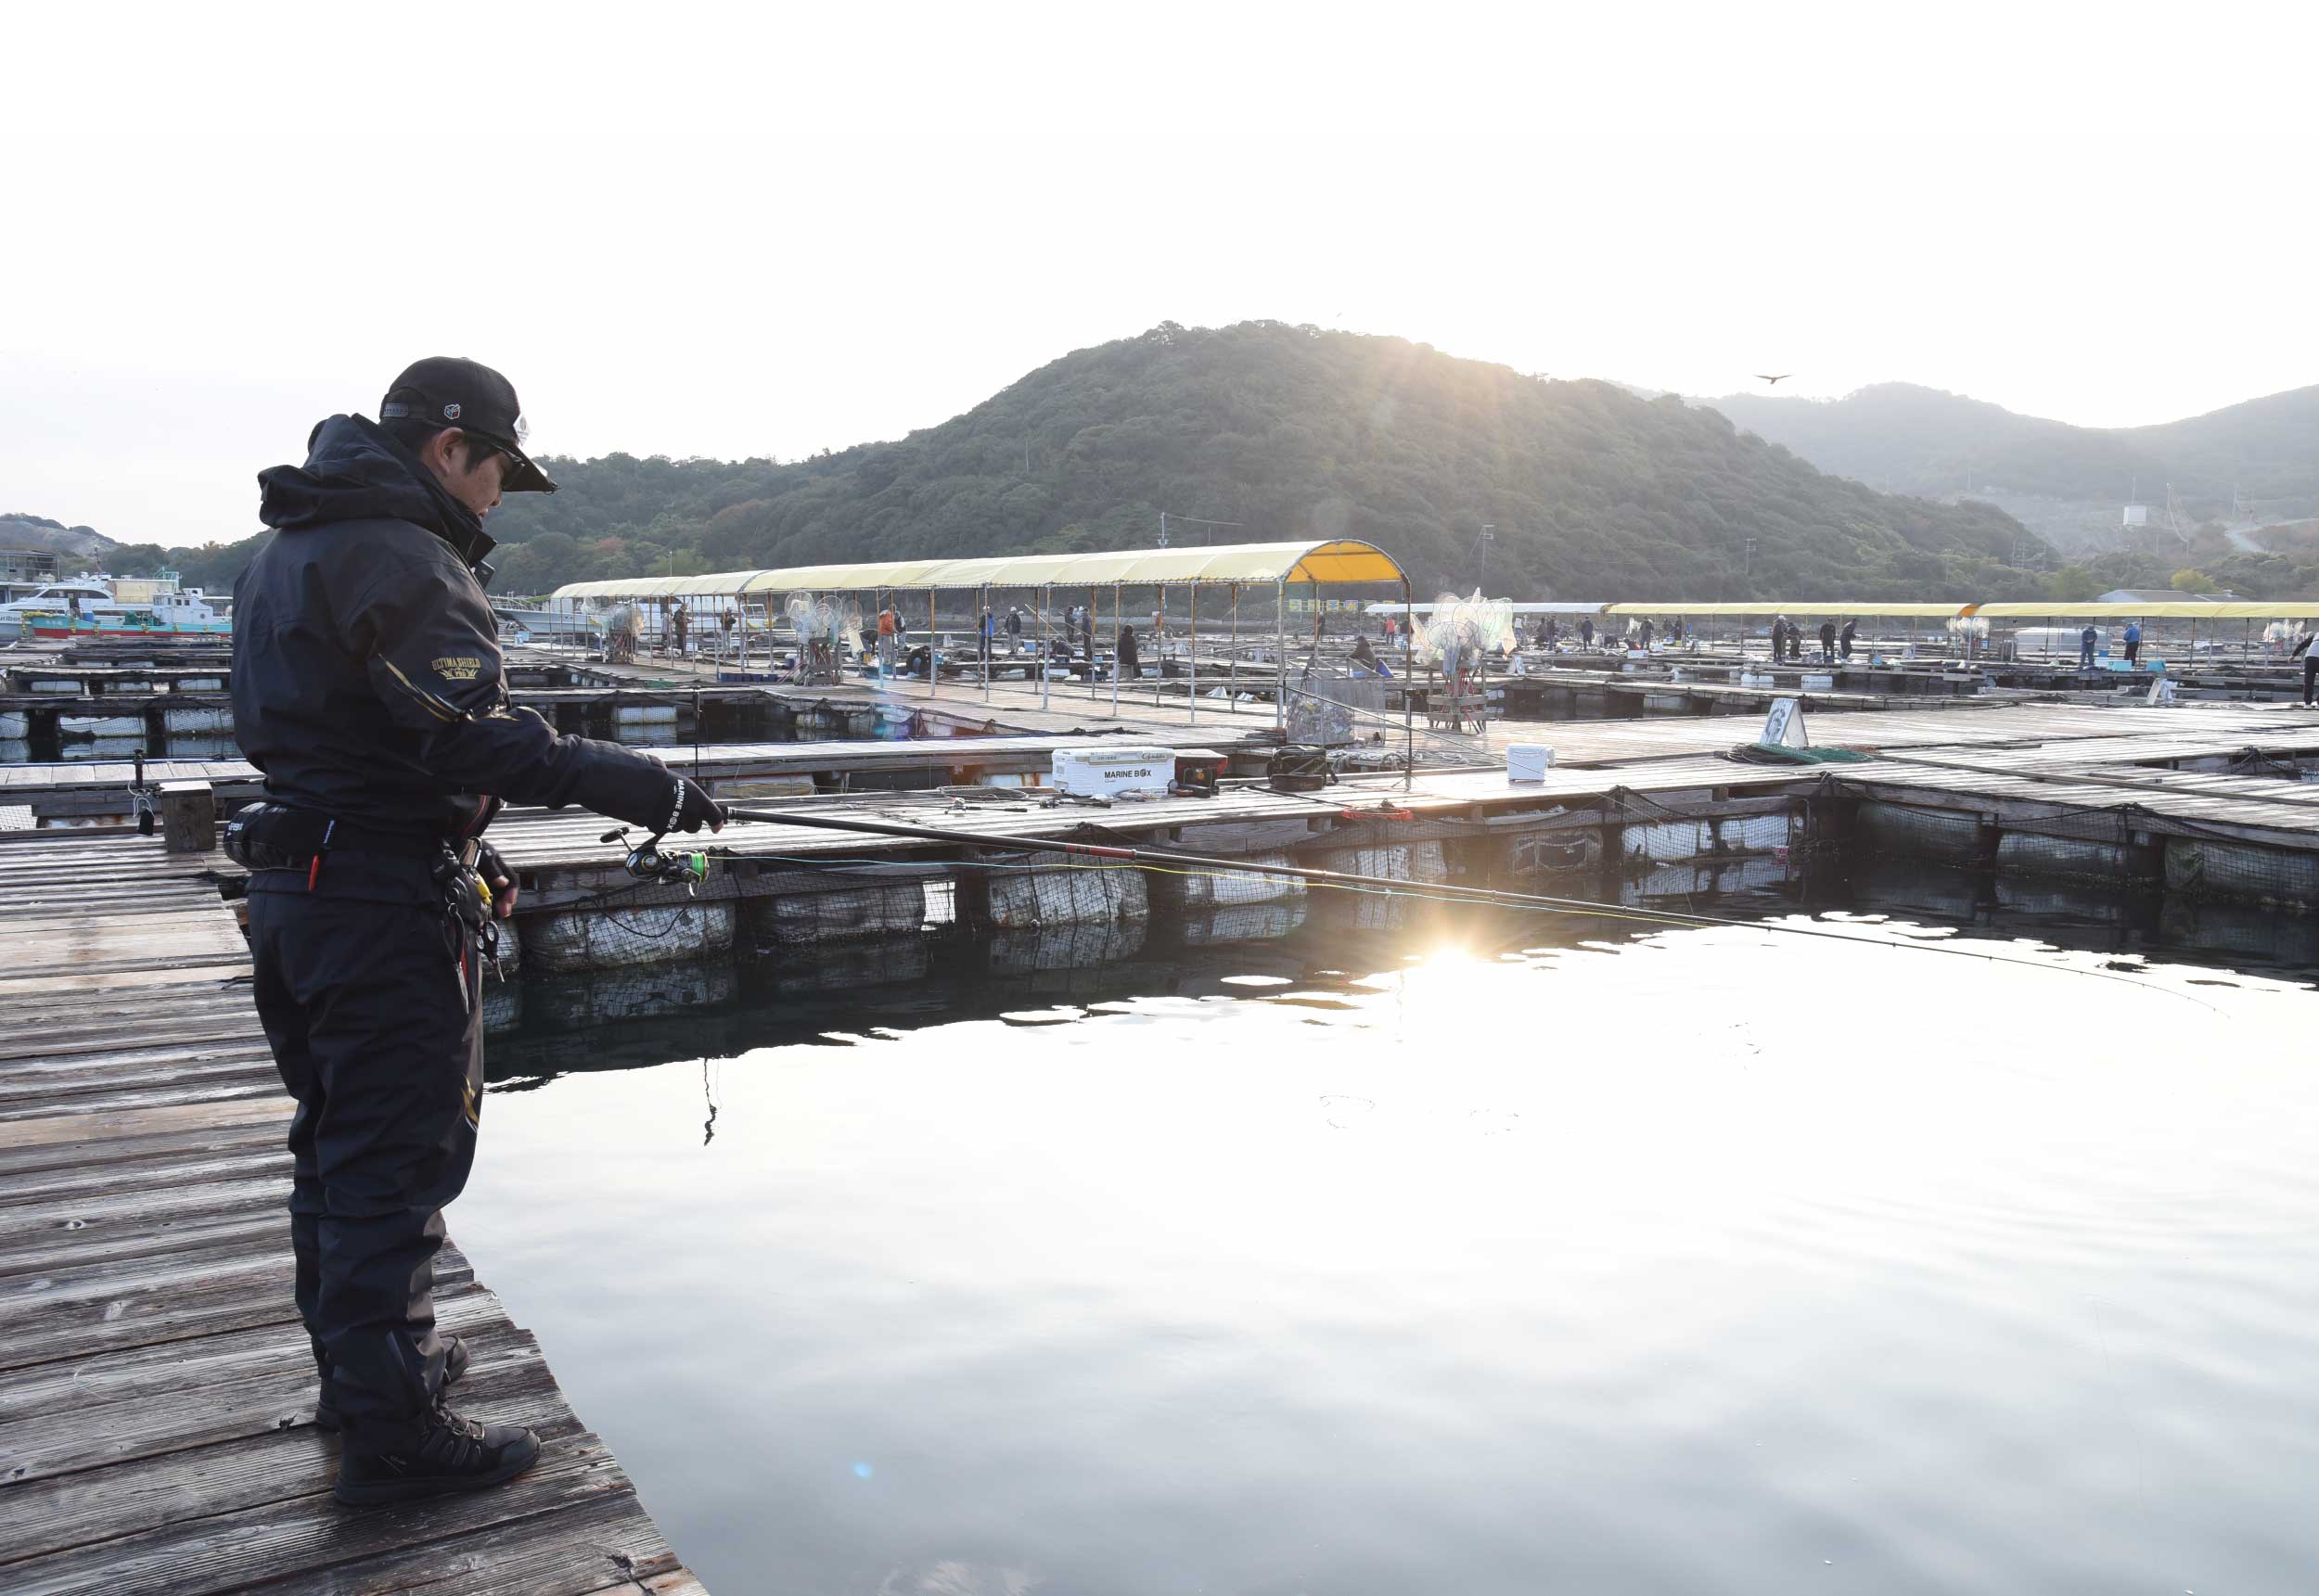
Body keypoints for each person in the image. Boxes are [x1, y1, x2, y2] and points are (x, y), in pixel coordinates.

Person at [231, 357, 724, 1506]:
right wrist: (643, 783)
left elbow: (365, 742)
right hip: (371, 908)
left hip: (305, 886)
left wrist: (465, 845)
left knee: (338, 1147)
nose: (498, 494)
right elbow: (467, 735)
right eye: (499, 467)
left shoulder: (289, 545)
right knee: (392, 1161)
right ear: (452, 447)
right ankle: (394, 1432)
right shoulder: (400, 551)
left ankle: (365, 1379)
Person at [876, 603, 897, 677]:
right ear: (893, 609)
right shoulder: (889, 614)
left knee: (883, 649)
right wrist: (893, 630)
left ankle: (885, 662)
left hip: (881, 633)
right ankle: (887, 663)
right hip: (886, 634)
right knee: (888, 649)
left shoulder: (883, 613)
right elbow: (888, 623)